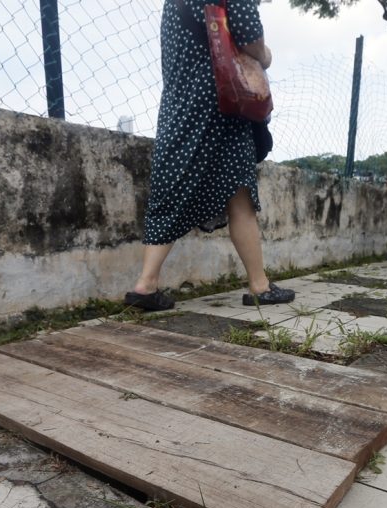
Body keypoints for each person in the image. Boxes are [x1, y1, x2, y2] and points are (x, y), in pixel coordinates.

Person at [124, 0, 294, 311]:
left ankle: (146, 284)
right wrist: (266, 55)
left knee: (170, 189)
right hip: (220, 102)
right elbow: (250, 40)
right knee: (239, 190)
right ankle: (259, 285)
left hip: (179, 101)